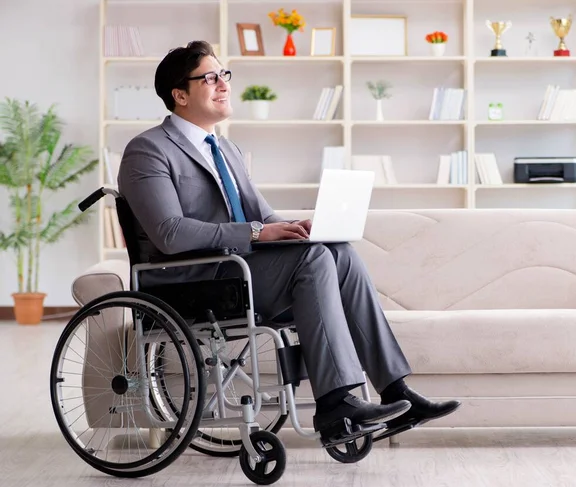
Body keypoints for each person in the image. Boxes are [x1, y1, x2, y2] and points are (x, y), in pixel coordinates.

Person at [117, 40, 460, 444]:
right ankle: (335, 405)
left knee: (338, 254)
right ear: (179, 94)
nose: (223, 84)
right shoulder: (148, 150)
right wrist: (258, 233)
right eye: (210, 77)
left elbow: (263, 216)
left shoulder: (225, 149)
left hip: (239, 270)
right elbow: (170, 233)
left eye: (224, 74)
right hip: (192, 279)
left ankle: (396, 390)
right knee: (312, 261)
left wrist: (299, 228)